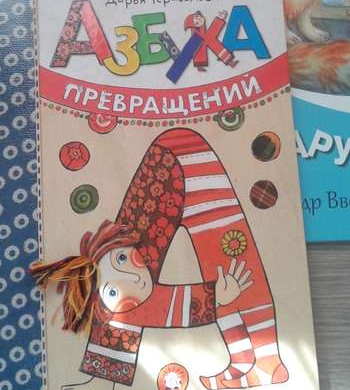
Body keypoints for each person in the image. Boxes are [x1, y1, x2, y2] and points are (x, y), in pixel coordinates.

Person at [31, 128, 288, 389]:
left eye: (122, 259)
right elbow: (162, 307)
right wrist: (211, 298)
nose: (134, 272)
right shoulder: (126, 285)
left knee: (231, 258)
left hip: (172, 161)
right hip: (176, 161)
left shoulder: (121, 260)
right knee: (230, 260)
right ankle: (259, 359)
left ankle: (260, 360)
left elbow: (162, 307)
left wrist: (211, 299)